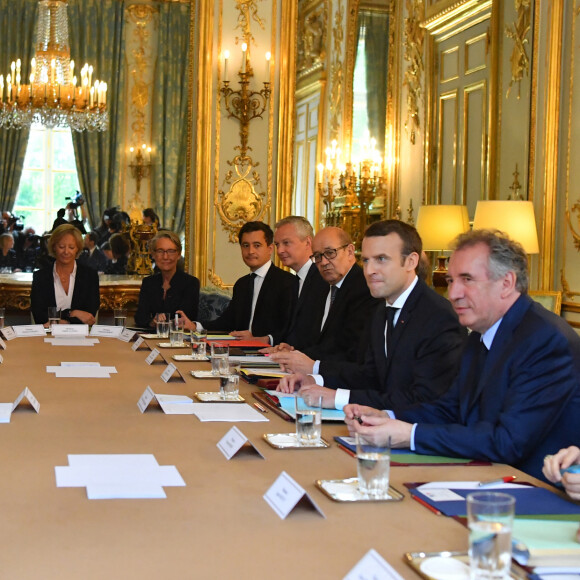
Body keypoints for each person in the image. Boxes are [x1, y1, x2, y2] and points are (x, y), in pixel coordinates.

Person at [344, 229, 580, 482]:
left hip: (534, 489)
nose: (454, 293)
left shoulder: (545, 340)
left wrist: (409, 434)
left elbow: (508, 442)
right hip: (483, 471)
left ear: (507, 283)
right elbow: (451, 408)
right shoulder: (480, 334)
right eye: (451, 281)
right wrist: (387, 417)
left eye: (467, 280)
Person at [277, 220, 467, 410]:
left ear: (411, 261)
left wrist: (337, 398)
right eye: (366, 260)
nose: (369, 270)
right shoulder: (382, 310)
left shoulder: (439, 317)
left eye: (381, 259)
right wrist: (313, 379)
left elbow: (424, 400)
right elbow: (371, 375)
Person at [270, 226, 381, 373]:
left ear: (349, 251)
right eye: (317, 256)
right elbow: (321, 341)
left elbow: (349, 349)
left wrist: (303, 358)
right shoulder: (322, 288)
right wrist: (294, 351)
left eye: (330, 253)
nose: (323, 262)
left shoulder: (364, 289)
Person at [180, 221, 295, 340]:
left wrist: (259, 339)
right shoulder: (242, 284)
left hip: (270, 353)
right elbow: (226, 323)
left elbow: (288, 329)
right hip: (239, 351)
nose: (250, 251)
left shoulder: (287, 282)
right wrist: (194, 326)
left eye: (257, 245)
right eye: (246, 245)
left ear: (270, 249)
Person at [255, 216, 328, 347]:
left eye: (286, 243)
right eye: (277, 245)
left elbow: (316, 334)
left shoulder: (323, 280)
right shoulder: (294, 282)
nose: (279, 250)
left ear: (307, 242)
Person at [30, 224, 99, 325]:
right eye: (61, 247)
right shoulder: (40, 277)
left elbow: (88, 316)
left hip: (81, 337)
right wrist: (72, 313)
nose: (66, 252)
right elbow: (39, 316)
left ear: (78, 249)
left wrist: (58, 321)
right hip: (48, 337)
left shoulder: (90, 276)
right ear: (54, 247)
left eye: (71, 247)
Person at [135, 231, 199, 329]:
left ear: (178, 254)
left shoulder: (191, 283)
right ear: (153, 254)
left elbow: (187, 317)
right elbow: (140, 317)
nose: (165, 257)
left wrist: (164, 322)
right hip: (152, 338)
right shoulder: (148, 282)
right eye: (160, 251)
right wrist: (152, 322)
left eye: (171, 251)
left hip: (179, 339)